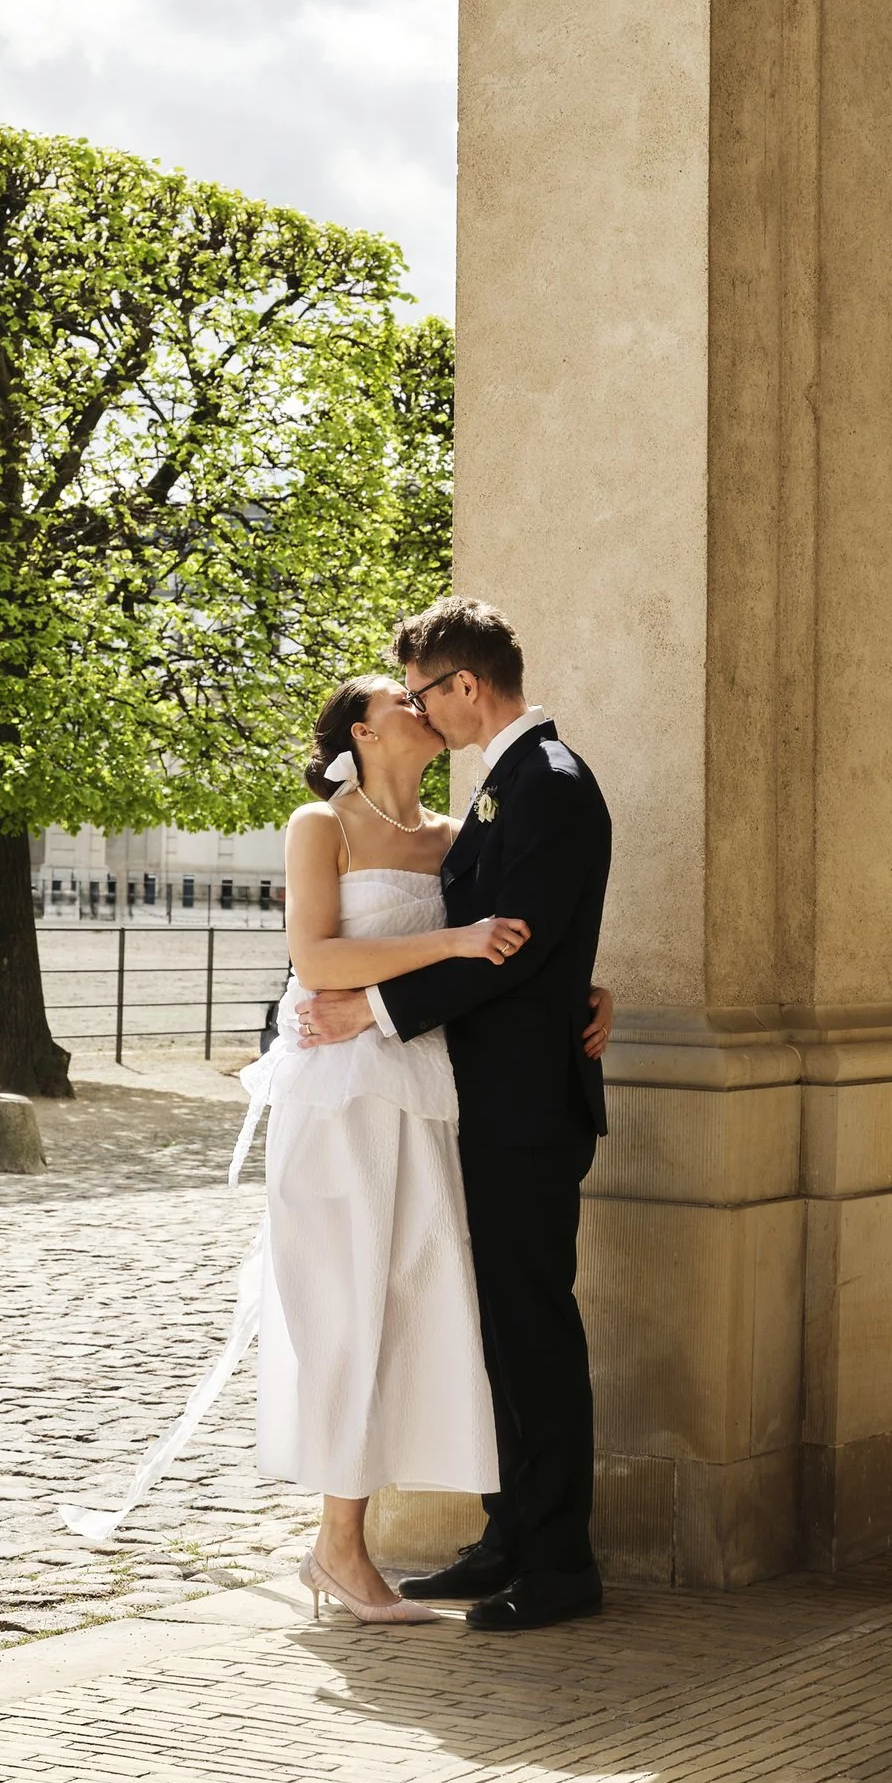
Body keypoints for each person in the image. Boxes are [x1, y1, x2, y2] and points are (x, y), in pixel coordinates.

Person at [297, 596, 612, 1636]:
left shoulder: (549, 785)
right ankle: (510, 1534)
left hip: (522, 1109)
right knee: (496, 1334)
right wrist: (582, 990)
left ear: (465, 686)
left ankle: (559, 1565)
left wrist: (377, 1009)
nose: (428, 714)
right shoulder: (506, 785)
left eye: (430, 692)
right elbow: (507, 934)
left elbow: (509, 943)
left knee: (534, 1334)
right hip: (466, 1097)